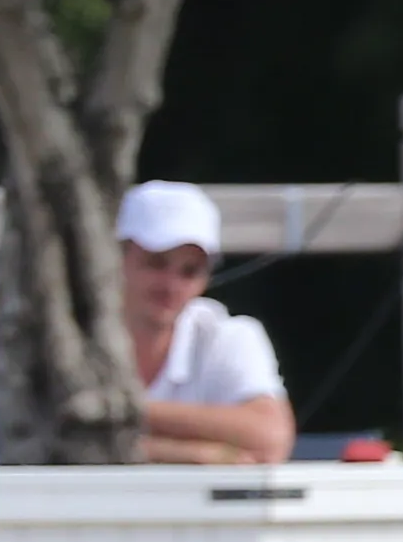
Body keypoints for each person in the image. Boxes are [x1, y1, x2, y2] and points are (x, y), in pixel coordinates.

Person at [116, 181, 293, 465]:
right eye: (156, 263)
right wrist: (198, 454)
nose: (171, 285)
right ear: (116, 260)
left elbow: (271, 438)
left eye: (190, 271)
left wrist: (119, 417)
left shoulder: (229, 336)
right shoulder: (72, 338)